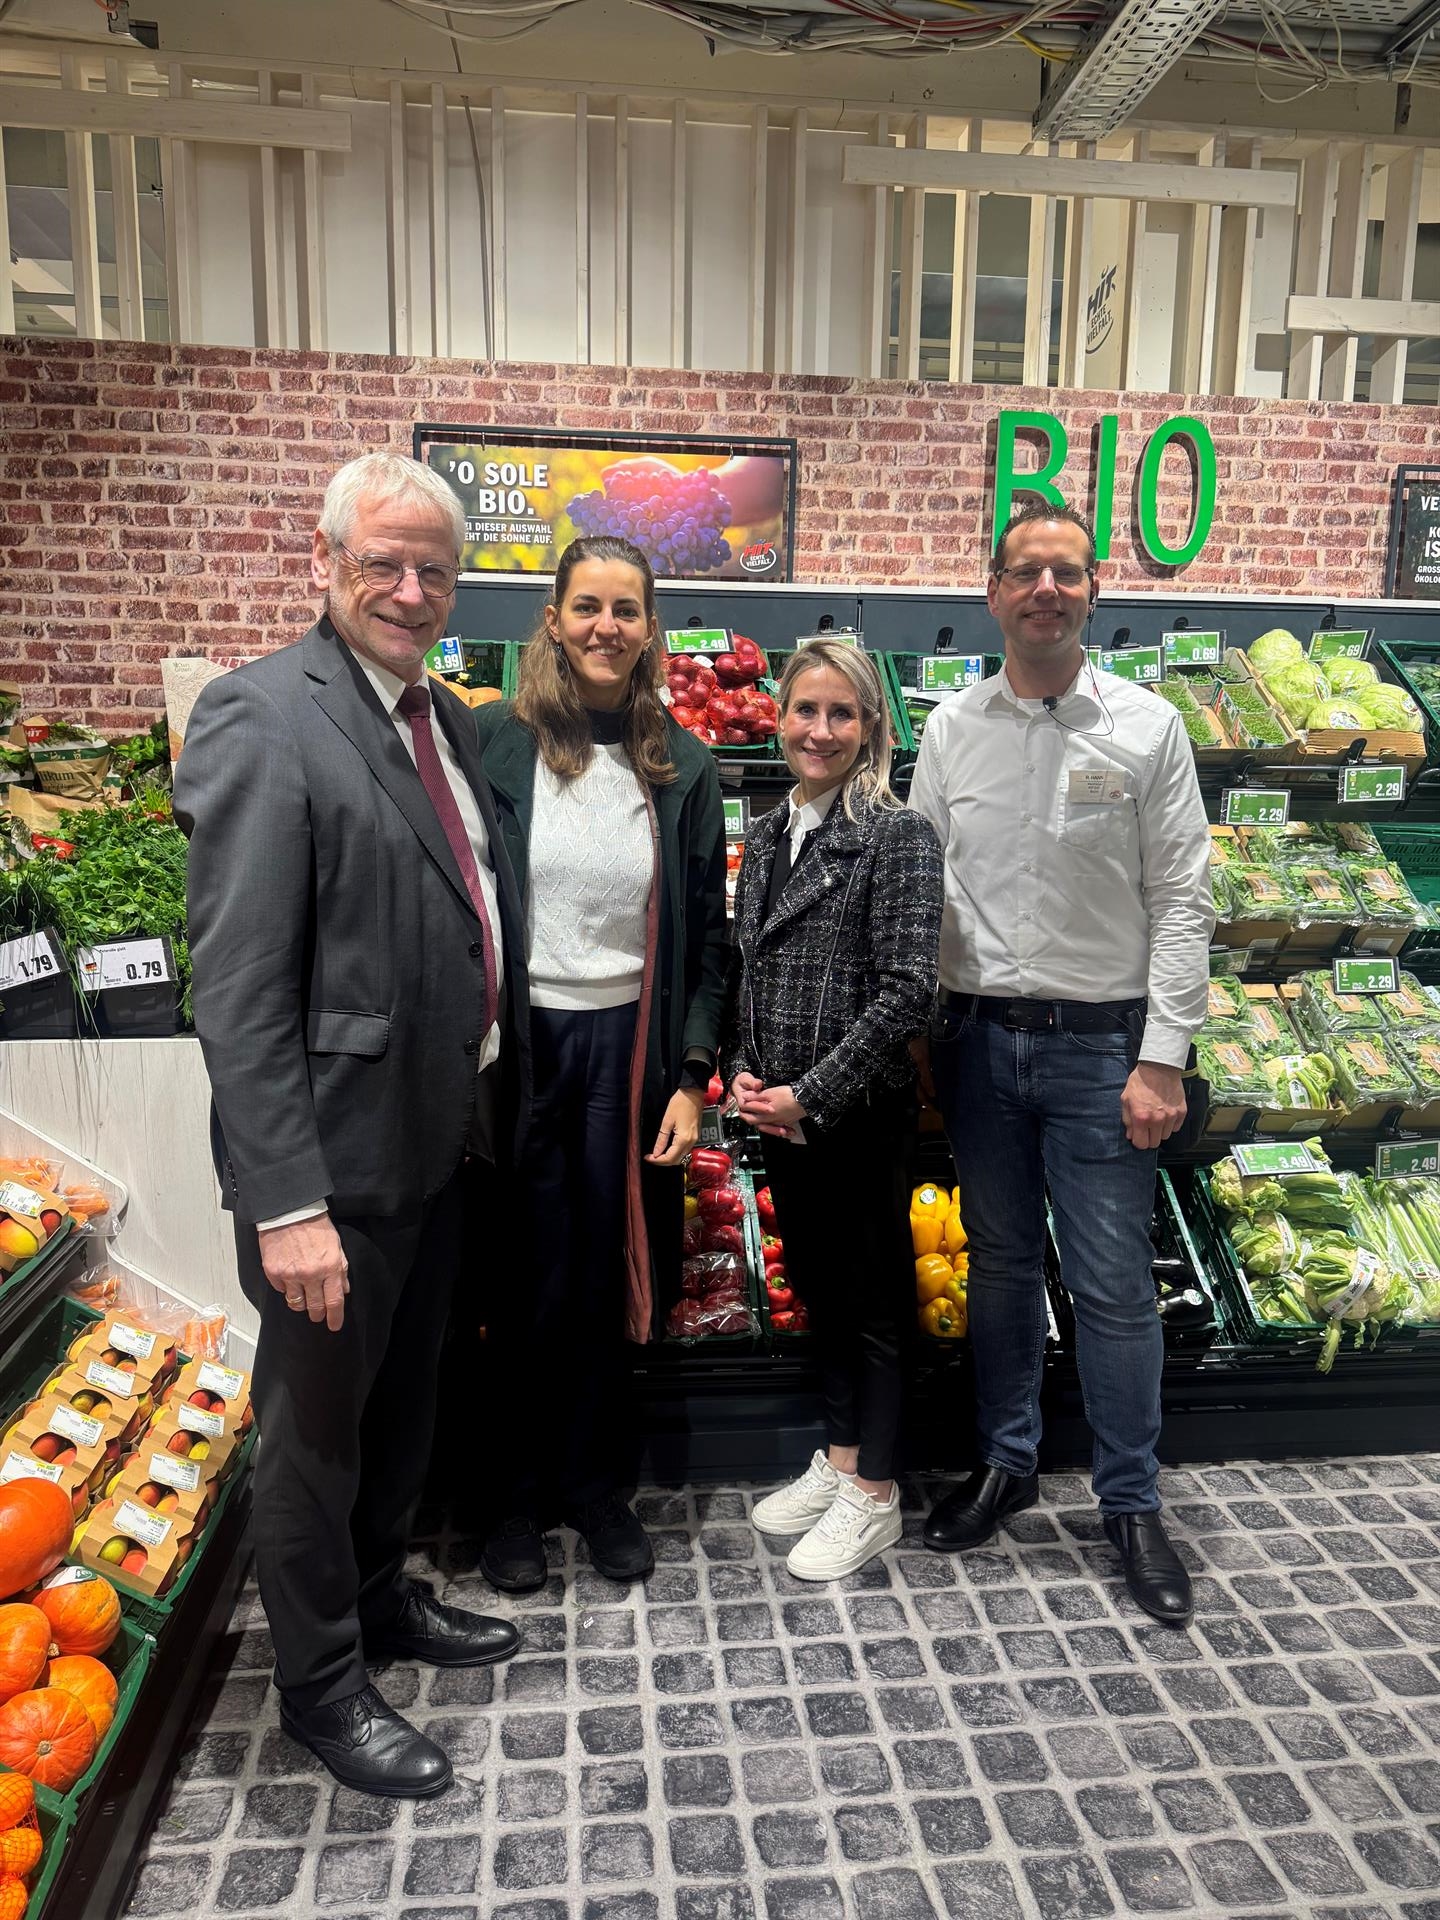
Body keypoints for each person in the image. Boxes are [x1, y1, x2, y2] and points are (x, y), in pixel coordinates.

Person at [174, 449, 530, 1798]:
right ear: (327, 563)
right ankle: (321, 1686)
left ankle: (386, 1601)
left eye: (434, 568)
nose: (410, 587)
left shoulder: (433, 715)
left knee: (405, 1406)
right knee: (314, 1436)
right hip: (331, 1164)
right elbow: (243, 984)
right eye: (383, 561)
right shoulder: (265, 715)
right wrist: (285, 1202)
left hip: (438, 1138)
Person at [908, 503, 1213, 1626]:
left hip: (1102, 1048)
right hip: (979, 1041)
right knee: (998, 1268)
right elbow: (922, 887)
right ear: (992, 592)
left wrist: (1164, 1059)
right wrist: (920, 1031)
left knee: (1113, 1288)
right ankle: (1006, 1461)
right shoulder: (950, 729)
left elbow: (1186, 898)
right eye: (1023, 571)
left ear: (1095, 594)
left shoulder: (1148, 727)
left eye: (1065, 573)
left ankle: (1132, 1504)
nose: (1045, 588)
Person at [473, 535, 728, 1593]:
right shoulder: (491, 741)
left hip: (630, 1049)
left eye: (627, 609)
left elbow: (710, 940)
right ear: (555, 616)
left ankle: (594, 1489)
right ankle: (511, 1500)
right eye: (588, 605)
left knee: (610, 1275)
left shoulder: (682, 762)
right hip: (520, 1049)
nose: (607, 626)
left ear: (649, 627)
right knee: (518, 1275)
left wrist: (690, 1074)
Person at [727, 641, 943, 1580]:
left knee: (873, 1300)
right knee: (818, 1285)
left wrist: (810, 1092)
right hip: (783, 1112)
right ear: (780, 718)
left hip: (851, 1114)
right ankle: (843, 1456)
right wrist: (744, 1071)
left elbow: (908, 994)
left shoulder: (897, 836)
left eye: (841, 714)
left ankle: (879, 1493)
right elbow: (753, 967)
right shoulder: (774, 830)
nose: (820, 731)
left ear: (872, 730)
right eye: (805, 710)